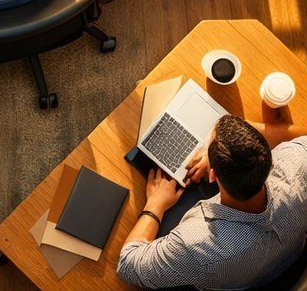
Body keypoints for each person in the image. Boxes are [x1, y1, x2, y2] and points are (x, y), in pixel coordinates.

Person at [117, 114, 307, 290]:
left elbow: (128, 264)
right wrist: (219, 154)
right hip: (286, 262)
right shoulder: (297, 163)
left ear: (212, 174)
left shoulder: (197, 245)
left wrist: (155, 204)